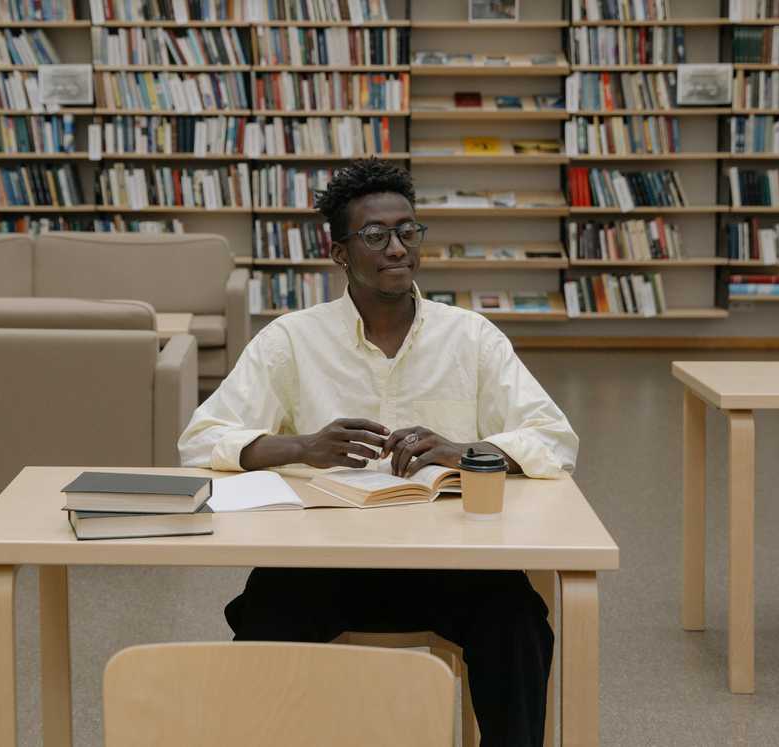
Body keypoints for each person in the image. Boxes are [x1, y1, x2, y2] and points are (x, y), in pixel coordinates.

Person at [179, 158, 578, 747]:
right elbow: (200, 439)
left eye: (408, 231)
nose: (397, 248)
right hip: (321, 563)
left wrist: (464, 451)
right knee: (265, 623)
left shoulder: (471, 336)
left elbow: (554, 438)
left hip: (453, 563)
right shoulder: (291, 339)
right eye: (375, 235)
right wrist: (303, 446)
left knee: (518, 624)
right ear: (339, 253)